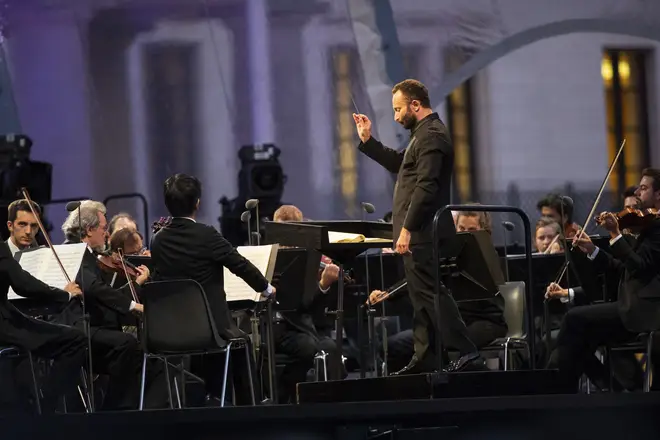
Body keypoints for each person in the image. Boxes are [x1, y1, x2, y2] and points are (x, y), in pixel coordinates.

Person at [353, 78, 484, 374]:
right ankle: (425, 357)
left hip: (424, 232)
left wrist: (407, 229)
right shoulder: (422, 135)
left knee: (430, 293)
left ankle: (466, 350)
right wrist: (367, 141)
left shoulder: (433, 135)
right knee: (420, 296)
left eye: (399, 110)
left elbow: (427, 186)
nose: (397, 116)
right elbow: (401, 163)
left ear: (415, 104)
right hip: (419, 232)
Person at [150, 173, 276, 405]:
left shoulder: (157, 240)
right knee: (241, 340)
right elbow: (240, 265)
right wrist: (266, 288)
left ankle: (213, 398)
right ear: (197, 203)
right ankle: (252, 406)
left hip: (168, 329)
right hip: (209, 328)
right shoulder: (206, 235)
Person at [548, 168, 660, 390]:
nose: (638, 191)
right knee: (579, 338)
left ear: (659, 194)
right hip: (629, 305)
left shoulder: (657, 228)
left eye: (644, 187)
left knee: (573, 320)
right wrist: (592, 250)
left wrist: (616, 235)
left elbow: (639, 267)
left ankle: (559, 392)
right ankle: (608, 389)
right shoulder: (647, 225)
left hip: (644, 311)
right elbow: (622, 268)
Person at [59, 201, 168, 410]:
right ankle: (114, 413)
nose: (106, 235)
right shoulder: (74, 253)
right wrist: (133, 306)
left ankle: (136, 415)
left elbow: (104, 294)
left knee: (148, 360)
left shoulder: (88, 254)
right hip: (78, 328)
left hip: (97, 327)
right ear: (89, 230)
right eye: (103, 228)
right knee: (126, 344)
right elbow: (94, 288)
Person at [0, 240, 86, 413]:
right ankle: (45, 407)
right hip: (4, 327)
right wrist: (64, 294)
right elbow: (23, 285)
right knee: (76, 340)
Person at [271, 204, 341, 402]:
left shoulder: (309, 260)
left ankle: (326, 403)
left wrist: (324, 284)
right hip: (278, 327)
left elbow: (312, 307)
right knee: (308, 346)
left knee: (332, 347)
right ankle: (287, 394)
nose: (286, 241)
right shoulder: (268, 258)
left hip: (305, 327)